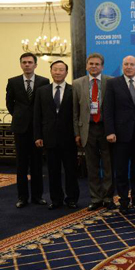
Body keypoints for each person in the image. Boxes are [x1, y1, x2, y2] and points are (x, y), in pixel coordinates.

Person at [104, 55, 135, 213]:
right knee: (121, 169)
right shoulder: (113, 83)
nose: (129, 67)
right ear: (122, 66)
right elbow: (108, 109)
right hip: (119, 134)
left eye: (132, 64)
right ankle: (124, 200)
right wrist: (110, 131)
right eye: (126, 64)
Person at [33, 60, 79, 210]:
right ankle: (56, 199)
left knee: (71, 171)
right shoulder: (42, 91)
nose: (58, 72)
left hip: (69, 137)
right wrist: (38, 136)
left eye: (61, 70)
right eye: (55, 70)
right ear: (51, 71)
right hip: (49, 138)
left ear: (66, 72)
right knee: (52, 171)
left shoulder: (74, 90)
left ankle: (71, 198)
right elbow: (37, 116)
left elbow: (77, 115)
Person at [6, 52, 49, 208]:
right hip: (20, 129)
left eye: (30, 62)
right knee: (21, 165)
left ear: (35, 65)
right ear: (21, 64)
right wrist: (20, 117)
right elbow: (10, 104)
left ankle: (37, 196)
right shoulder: (13, 82)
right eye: (24, 62)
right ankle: (22, 197)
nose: (27, 64)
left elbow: (45, 105)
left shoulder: (44, 81)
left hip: (38, 130)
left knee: (37, 164)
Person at [72, 53, 114, 211]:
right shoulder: (77, 84)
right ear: (86, 66)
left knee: (109, 165)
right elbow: (74, 112)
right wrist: (77, 132)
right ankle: (96, 198)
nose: (94, 66)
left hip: (106, 128)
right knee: (92, 166)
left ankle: (108, 198)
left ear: (102, 67)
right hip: (87, 129)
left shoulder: (111, 82)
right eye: (91, 63)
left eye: (97, 64)